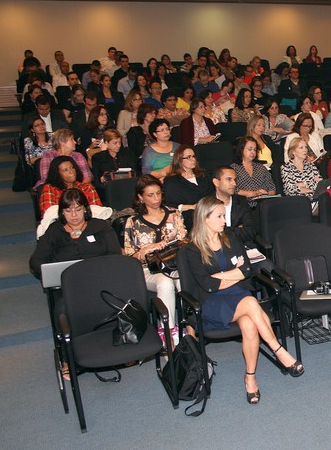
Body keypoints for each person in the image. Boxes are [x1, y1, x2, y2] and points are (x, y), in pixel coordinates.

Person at [183, 196, 303, 404]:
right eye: (219, 216)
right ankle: (278, 350)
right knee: (250, 303)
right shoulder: (192, 249)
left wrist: (223, 276)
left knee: (248, 324)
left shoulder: (229, 236)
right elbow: (207, 286)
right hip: (210, 302)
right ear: (205, 219)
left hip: (235, 294)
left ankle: (250, 378)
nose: (224, 221)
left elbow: (247, 269)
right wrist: (233, 273)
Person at [123, 175, 186, 337]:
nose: (156, 199)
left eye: (158, 193)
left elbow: (185, 242)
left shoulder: (174, 214)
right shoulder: (133, 222)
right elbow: (130, 259)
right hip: (148, 271)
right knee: (165, 283)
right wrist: (148, 249)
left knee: (184, 279)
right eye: (150, 195)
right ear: (140, 197)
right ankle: (169, 332)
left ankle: (191, 326)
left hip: (174, 263)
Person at [30, 189, 121, 279]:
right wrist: (52, 274)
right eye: (68, 211)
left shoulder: (100, 226)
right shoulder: (54, 231)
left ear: (85, 209)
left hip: (101, 276)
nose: (74, 215)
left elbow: (115, 254)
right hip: (68, 281)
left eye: (78, 210)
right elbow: (36, 260)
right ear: (62, 211)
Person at [163, 146, 214, 229]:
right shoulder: (172, 181)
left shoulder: (203, 175)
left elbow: (212, 193)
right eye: (188, 157)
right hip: (188, 216)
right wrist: (191, 207)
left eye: (193, 156)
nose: (193, 159)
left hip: (208, 210)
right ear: (179, 160)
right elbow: (170, 204)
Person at [232, 137, 276, 205]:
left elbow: (272, 189)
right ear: (241, 149)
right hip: (243, 205)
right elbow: (230, 189)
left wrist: (266, 195)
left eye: (255, 150)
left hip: (263, 205)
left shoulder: (261, 168)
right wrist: (250, 193)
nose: (253, 152)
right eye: (250, 149)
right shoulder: (233, 168)